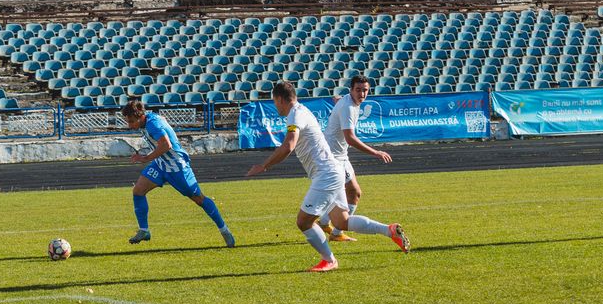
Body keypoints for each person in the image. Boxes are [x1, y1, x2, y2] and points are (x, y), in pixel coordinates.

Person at [247, 81, 408, 272]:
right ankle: (388, 230)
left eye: (275, 102)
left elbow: (289, 145)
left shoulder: (296, 115)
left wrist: (264, 166)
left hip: (327, 175)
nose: (275, 106)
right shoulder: (301, 110)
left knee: (303, 221)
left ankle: (329, 259)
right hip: (333, 171)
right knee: (342, 222)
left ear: (280, 99)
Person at [121, 98, 235, 247]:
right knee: (138, 191)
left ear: (140, 116)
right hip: (161, 165)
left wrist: (145, 158)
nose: (129, 125)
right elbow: (163, 122)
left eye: (131, 121)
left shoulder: (153, 124)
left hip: (177, 167)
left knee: (199, 199)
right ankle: (144, 230)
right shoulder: (149, 119)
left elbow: (166, 145)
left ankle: (224, 230)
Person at [317, 75, 393, 241]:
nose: (362, 94)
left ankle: (324, 223)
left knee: (353, 193)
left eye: (365, 90)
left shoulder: (348, 101)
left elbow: (340, 102)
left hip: (340, 156)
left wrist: (337, 102)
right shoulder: (349, 108)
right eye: (358, 90)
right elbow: (350, 137)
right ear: (351, 90)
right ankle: (333, 231)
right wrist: (376, 152)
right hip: (333, 158)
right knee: (351, 194)